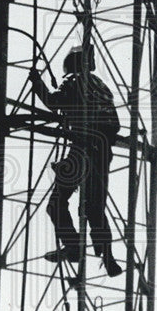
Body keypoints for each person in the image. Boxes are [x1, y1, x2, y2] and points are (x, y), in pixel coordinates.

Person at [29, 46, 123, 277]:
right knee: (94, 208)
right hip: (102, 151)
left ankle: (72, 247)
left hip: (82, 147)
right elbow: (115, 123)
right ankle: (108, 256)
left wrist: (36, 82)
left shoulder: (72, 81)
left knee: (56, 203)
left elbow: (53, 102)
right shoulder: (102, 86)